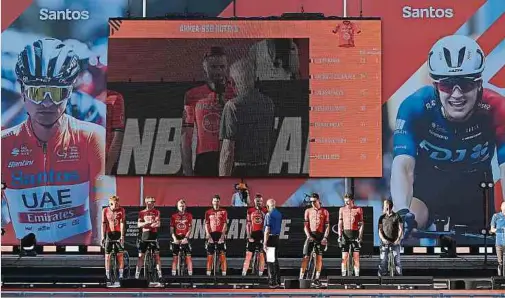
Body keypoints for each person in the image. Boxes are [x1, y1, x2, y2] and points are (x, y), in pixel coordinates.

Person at [391, 35, 505, 244]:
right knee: (404, 229)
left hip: (475, 191)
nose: (457, 94)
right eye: (447, 85)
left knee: (481, 251)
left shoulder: (497, 108)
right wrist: (401, 211)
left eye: (465, 84)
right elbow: (403, 166)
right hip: (428, 188)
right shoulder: (415, 106)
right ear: (435, 85)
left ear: (479, 83)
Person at [1, 38, 105, 245]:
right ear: (22, 91)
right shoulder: (4, 145)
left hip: (79, 259)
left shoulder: (93, 135)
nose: (47, 102)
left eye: (57, 93)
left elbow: (102, 204)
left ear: (69, 92)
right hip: (19, 258)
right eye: (37, 92)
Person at [181, 46, 235, 176]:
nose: (218, 71)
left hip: (231, 155)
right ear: (205, 68)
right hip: (205, 158)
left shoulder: (234, 92)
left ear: (227, 67)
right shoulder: (193, 95)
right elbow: (186, 135)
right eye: (214, 67)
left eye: (222, 67)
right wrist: (187, 168)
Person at [219, 58, 275, 177]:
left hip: (241, 172)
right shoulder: (268, 103)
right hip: (263, 170)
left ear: (233, 82)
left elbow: (227, 152)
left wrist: (222, 181)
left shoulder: (232, 106)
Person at [299, 193, 329, 287]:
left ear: (318, 200)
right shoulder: (308, 211)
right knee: (305, 257)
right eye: (311, 201)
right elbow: (305, 226)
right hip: (310, 235)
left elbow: (327, 226)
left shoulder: (325, 211)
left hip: (320, 236)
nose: (312, 203)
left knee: (319, 258)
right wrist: (308, 235)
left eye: (314, 201)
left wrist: (325, 237)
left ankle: (316, 278)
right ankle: (301, 277)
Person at [135, 196, 162, 280]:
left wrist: (150, 224)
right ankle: (137, 275)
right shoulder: (142, 212)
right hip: (145, 235)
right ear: (146, 202)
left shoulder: (156, 211)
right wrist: (147, 223)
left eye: (154, 201)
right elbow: (139, 225)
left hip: (153, 235)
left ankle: (160, 275)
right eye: (151, 201)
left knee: (157, 255)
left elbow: (158, 224)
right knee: (141, 256)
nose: (153, 203)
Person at [242, 194, 268, 276]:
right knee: (249, 254)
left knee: (262, 254)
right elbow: (248, 224)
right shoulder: (250, 210)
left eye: (260, 201)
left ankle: (261, 272)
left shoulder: (265, 210)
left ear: (262, 201)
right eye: (257, 201)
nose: (259, 203)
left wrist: (266, 237)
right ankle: (244, 271)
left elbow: (267, 224)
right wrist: (249, 236)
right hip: (253, 234)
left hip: (262, 234)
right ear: (254, 201)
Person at [338, 193, 364, 276]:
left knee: (356, 257)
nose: (346, 203)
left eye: (348, 201)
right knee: (344, 257)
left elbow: (362, 224)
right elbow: (340, 223)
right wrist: (339, 235)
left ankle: (357, 276)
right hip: (345, 234)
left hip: (355, 234)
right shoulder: (341, 209)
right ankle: (343, 275)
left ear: (352, 201)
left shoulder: (358, 209)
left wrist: (360, 236)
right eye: (345, 202)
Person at [102, 195, 125, 284]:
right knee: (107, 256)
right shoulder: (105, 210)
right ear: (110, 203)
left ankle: (121, 274)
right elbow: (103, 224)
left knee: (120, 255)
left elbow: (122, 223)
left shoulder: (121, 210)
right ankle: (107, 275)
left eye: (117, 204)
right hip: (109, 234)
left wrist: (122, 236)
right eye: (115, 204)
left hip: (118, 234)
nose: (116, 206)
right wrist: (103, 237)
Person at [378, 199, 403, 276]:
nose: (383, 207)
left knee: (397, 261)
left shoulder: (397, 216)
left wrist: (398, 239)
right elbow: (380, 230)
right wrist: (383, 239)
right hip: (385, 242)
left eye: (384, 205)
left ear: (388, 207)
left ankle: (399, 277)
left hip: (395, 242)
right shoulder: (381, 218)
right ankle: (382, 277)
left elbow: (401, 229)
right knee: (383, 260)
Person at [205, 195, 228, 276]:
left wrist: (222, 236)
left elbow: (225, 224)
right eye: (214, 201)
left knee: (222, 254)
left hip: (220, 234)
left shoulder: (224, 212)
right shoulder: (208, 212)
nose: (216, 203)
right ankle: (208, 273)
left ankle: (224, 273)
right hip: (211, 234)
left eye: (217, 201)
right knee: (210, 254)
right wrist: (208, 235)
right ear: (212, 202)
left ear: (219, 202)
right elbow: (206, 224)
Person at [170, 198, 194, 276]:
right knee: (175, 256)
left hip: (185, 237)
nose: (182, 207)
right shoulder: (173, 216)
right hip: (176, 237)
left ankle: (190, 274)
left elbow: (190, 229)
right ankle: (173, 274)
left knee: (188, 256)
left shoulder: (189, 215)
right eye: (180, 206)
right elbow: (171, 229)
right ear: (177, 207)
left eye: (183, 206)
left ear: (185, 206)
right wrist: (174, 238)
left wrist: (186, 238)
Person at [105, 89, 125, 175]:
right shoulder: (71, 95)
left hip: (104, 160)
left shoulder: (114, 97)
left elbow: (117, 136)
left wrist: (107, 168)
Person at [264, 198, 282, 288]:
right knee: (276, 260)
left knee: (270, 261)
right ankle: (278, 281)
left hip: (270, 238)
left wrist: (264, 242)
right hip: (277, 238)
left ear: (268, 206)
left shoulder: (268, 214)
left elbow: (267, 230)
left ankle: (272, 282)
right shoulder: (279, 214)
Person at [490, 202, 505, 276]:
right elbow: (492, 229)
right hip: (499, 242)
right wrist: (498, 230)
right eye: (504, 206)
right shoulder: (496, 216)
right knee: (500, 261)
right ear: (501, 208)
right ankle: (500, 276)